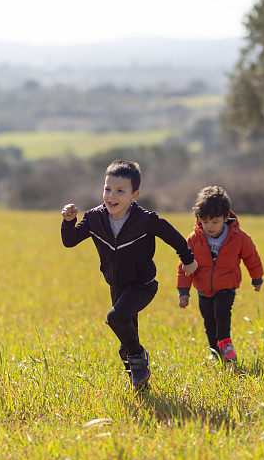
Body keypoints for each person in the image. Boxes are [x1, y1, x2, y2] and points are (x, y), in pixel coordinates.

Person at [61, 160, 198, 390]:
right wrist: (68, 221)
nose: (111, 196)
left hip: (142, 285)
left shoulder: (145, 220)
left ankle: (139, 356)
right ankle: (140, 386)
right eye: (107, 189)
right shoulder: (95, 218)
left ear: (134, 196)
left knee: (116, 319)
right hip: (116, 286)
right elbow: (70, 241)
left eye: (120, 191)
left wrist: (188, 259)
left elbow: (172, 236)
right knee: (126, 338)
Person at [177, 186, 263, 362]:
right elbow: (185, 265)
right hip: (203, 288)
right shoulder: (194, 239)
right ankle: (215, 352)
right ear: (198, 218)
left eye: (215, 222)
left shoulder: (238, 237)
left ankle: (225, 341)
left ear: (225, 218)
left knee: (222, 311)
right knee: (209, 321)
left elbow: (251, 257)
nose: (209, 226)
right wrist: (183, 292)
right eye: (205, 221)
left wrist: (257, 277)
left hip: (227, 285)